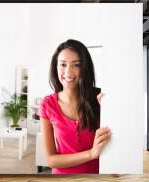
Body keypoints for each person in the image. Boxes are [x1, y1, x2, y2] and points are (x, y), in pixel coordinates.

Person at [39, 39, 111, 174]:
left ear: (84, 68)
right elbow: (50, 160)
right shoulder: (47, 104)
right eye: (63, 65)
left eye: (76, 65)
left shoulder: (100, 98)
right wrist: (91, 154)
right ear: (56, 67)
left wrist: (110, 110)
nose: (68, 72)